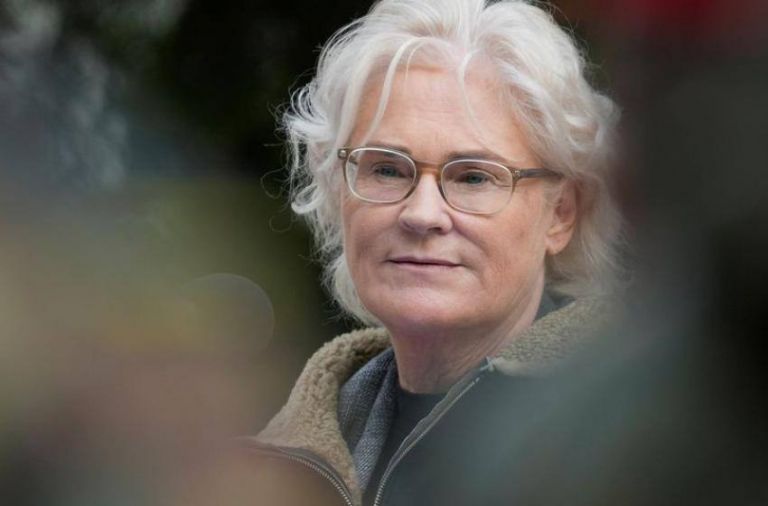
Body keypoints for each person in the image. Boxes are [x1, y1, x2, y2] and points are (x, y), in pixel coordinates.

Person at [233, 1, 622, 505]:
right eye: (386, 169)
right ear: (336, 188)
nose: (421, 214)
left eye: (474, 177)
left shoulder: (640, 440)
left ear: (562, 213)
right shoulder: (269, 469)